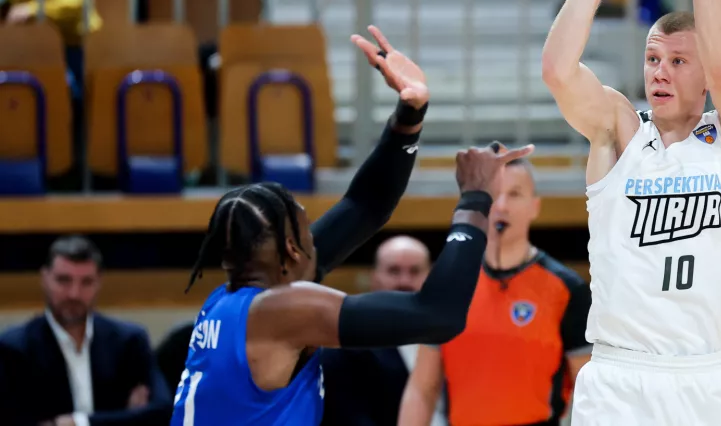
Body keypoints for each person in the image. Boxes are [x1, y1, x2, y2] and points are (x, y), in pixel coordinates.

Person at [169, 24, 535, 426]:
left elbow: (364, 206)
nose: (320, 235)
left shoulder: (229, 302)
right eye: (309, 229)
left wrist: (410, 112)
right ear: (292, 250)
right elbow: (439, 316)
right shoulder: (284, 310)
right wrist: (475, 198)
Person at [540, 0, 721, 426]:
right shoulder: (619, 132)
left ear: (703, 76)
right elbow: (557, 71)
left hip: (705, 377)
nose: (660, 72)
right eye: (652, 59)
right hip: (618, 378)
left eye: (677, 61)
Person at [398, 153, 592, 426]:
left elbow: (591, 393)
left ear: (534, 206)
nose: (501, 206)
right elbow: (422, 388)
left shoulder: (567, 289)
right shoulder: (449, 283)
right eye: (494, 194)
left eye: (514, 194)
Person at [0, 236, 172, 426]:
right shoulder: (13, 349)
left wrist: (77, 422)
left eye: (86, 282)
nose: (74, 294)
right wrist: (125, 418)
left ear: (99, 283)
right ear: (45, 278)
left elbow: (161, 413)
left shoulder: (128, 341)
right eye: (64, 280)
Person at [319, 236, 448, 426]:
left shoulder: (455, 333)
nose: (404, 281)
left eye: (415, 271)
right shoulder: (347, 345)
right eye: (393, 271)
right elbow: (347, 416)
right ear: (375, 278)